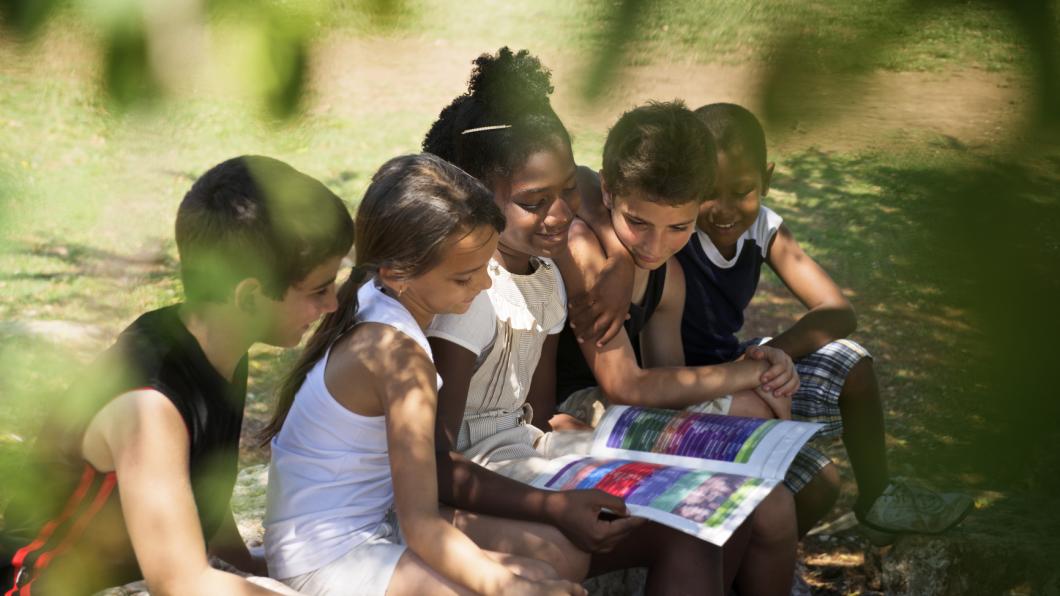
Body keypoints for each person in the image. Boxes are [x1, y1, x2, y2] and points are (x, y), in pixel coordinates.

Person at [423, 48, 759, 596]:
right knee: (566, 550)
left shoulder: (548, 278)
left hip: (523, 454)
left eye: (566, 194)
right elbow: (438, 461)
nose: (560, 214)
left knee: (707, 516)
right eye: (536, 201)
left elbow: (536, 411)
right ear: (477, 195)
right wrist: (554, 504)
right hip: (471, 479)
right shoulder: (467, 295)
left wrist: (563, 433)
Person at [1, 155, 354, 595]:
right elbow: (180, 583)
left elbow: (200, 493)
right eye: (318, 289)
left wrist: (258, 572)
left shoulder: (220, 346)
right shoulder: (149, 406)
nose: (332, 306)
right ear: (247, 296)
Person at [259, 153, 586, 596]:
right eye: (466, 277)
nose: (486, 286)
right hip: (329, 559)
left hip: (369, 528)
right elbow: (422, 527)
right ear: (399, 274)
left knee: (555, 562)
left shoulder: (378, 297)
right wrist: (507, 587)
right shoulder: (398, 357)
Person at [677, 102, 973, 538]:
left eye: (741, 190)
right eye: (708, 191)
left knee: (853, 365)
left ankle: (878, 497)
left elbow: (837, 311)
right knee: (817, 484)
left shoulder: (763, 228)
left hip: (737, 365)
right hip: (684, 382)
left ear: (768, 179)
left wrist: (771, 354)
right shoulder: (674, 229)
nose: (724, 209)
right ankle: (747, 567)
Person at [551, 100, 799, 595]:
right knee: (749, 424)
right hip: (571, 407)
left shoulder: (671, 277)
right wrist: (744, 373)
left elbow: (672, 382)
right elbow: (624, 385)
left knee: (772, 504)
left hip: (622, 413)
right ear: (608, 192)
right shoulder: (587, 256)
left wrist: (763, 372)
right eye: (638, 223)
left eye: (679, 228)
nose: (655, 245)